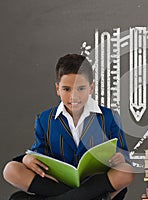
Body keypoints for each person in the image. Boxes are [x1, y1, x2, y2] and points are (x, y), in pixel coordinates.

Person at [3, 54, 134, 200]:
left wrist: (120, 158)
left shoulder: (109, 117)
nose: (73, 96)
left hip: (95, 183)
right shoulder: (45, 119)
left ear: (91, 88)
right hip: (57, 184)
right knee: (11, 169)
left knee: (126, 171)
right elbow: (39, 154)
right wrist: (27, 159)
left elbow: (124, 156)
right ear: (58, 89)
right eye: (67, 89)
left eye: (81, 88)